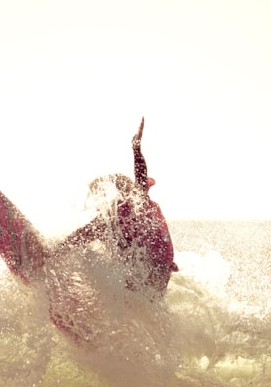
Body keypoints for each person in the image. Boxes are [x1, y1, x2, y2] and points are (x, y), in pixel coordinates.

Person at [51, 117, 178, 293]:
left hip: (156, 266)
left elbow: (140, 177)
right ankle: (55, 254)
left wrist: (136, 150)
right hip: (159, 267)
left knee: (95, 235)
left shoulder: (135, 202)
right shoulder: (121, 215)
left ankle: (52, 254)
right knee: (99, 239)